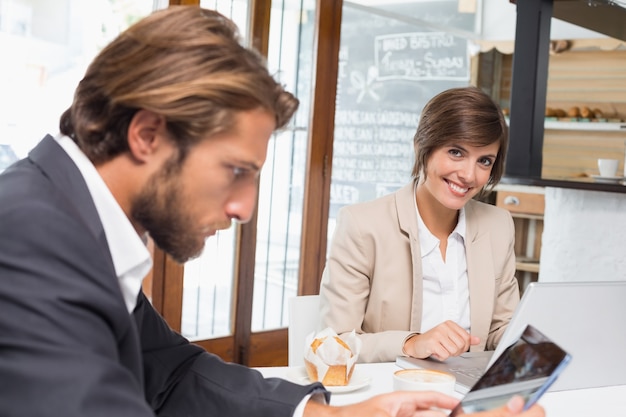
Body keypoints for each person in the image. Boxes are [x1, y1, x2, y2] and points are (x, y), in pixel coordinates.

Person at [0, 6, 542, 417]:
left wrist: (331, 415)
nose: (245, 208)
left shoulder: (68, 223)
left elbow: (174, 373)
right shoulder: (29, 237)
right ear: (146, 134)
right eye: (236, 170)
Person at [319, 86, 520, 363]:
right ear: (422, 146)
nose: (468, 175)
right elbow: (334, 343)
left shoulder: (498, 226)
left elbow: (502, 328)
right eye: (456, 152)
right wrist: (411, 343)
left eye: (484, 161)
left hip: (469, 391)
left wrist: (535, 342)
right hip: (391, 391)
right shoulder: (362, 225)